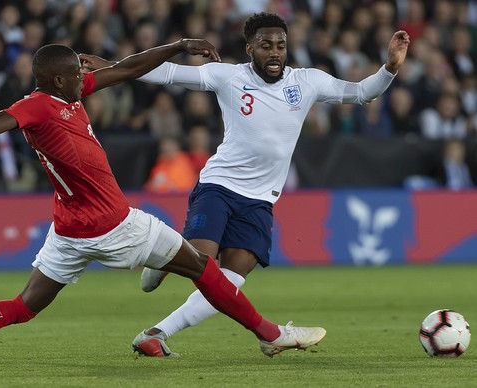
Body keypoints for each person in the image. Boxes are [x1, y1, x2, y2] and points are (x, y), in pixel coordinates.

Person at [0, 41, 326, 372]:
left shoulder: (65, 94)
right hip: (114, 225)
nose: (84, 76)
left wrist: (176, 46)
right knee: (203, 268)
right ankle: (271, 335)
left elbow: (128, 69)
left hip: (68, 232)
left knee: (23, 306)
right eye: (75, 73)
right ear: (59, 80)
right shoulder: (37, 106)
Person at [83, 12, 409, 357]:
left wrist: (389, 67)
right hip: (219, 186)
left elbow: (361, 93)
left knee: (230, 283)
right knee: (203, 266)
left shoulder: (307, 81)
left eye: (281, 45)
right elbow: (165, 73)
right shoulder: (229, 76)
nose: (274, 52)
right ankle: (164, 260)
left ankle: (156, 333)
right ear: (249, 47)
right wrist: (110, 65)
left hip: (260, 201)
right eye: (265, 45)